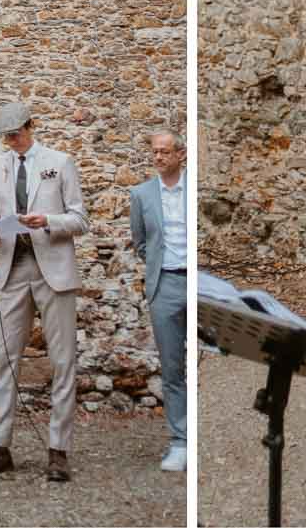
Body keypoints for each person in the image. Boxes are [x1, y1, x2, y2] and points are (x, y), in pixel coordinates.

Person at [0, 101, 89, 483]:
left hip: (53, 268)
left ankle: (58, 451)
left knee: (62, 360)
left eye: (17, 134)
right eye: (6, 137)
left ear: (30, 127)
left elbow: (80, 219)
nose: (12, 142)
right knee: (5, 358)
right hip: (13, 267)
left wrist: (47, 220)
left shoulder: (60, 162)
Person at [129, 131, 188, 473]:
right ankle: (179, 441)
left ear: (181, 154)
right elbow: (140, 242)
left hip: (196, 282)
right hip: (164, 283)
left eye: (165, 151)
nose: (158, 157)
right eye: (155, 152)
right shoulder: (141, 194)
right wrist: (158, 270)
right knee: (171, 366)